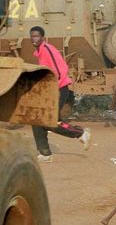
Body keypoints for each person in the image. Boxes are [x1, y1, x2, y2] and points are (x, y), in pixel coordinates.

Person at [29, 26, 91, 162]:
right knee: (37, 120)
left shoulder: (47, 50)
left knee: (51, 122)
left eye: (37, 36)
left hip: (58, 89)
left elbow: (59, 70)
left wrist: (51, 90)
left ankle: (80, 133)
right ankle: (45, 153)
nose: (34, 39)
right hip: (50, 90)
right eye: (32, 36)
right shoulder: (40, 52)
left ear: (43, 37)